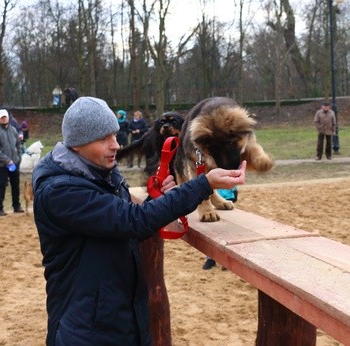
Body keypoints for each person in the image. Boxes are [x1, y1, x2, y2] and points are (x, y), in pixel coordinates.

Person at [32, 96, 246, 345]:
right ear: (78, 144)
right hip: (86, 331)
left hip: (116, 318)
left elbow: (119, 223)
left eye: (114, 135)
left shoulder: (99, 173)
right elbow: (131, 221)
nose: (115, 145)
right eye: (104, 139)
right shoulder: (61, 191)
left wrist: (162, 200)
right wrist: (204, 184)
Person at [0, 109, 24, 216]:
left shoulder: (13, 130)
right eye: (2, 117)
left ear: (8, 118)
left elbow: (18, 145)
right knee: (1, 185)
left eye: (5, 117)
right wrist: (7, 160)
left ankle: (16, 206)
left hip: (15, 162)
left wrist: (18, 157)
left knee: (15, 185)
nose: (4, 119)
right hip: (2, 165)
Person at [202, 187, 238, 270]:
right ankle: (210, 259)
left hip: (225, 199)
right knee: (212, 232)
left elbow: (234, 190)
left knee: (226, 233)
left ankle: (224, 261)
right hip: (211, 199)